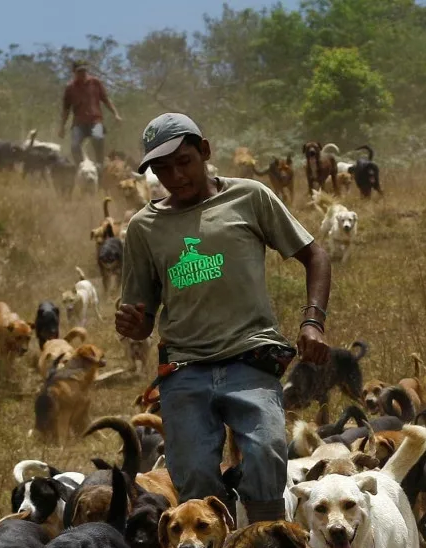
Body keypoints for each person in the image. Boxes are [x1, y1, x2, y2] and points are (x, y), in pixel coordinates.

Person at [114, 114, 330, 523]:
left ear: (205, 152)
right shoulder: (144, 227)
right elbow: (142, 319)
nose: (175, 176)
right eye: (162, 168)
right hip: (185, 369)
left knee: (267, 454)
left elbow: (315, 255)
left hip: (250, 358)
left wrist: (312, 323)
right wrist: (132, 325)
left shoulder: (249, 197)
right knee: (193, 476)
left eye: (184, 161)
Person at [60, 62, 119, 163]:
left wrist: (116, 114)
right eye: (79, 71)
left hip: (95, 120)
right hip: (79, 123)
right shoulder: (70, 88)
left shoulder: (95, 83)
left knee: (98, 138)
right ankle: (81, 167)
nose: (82, 74)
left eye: (84, 71)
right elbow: (66, 109)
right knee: (74, 146)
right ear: (74, 73)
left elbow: (106, 100)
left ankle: (100, 164)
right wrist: (62, 127)